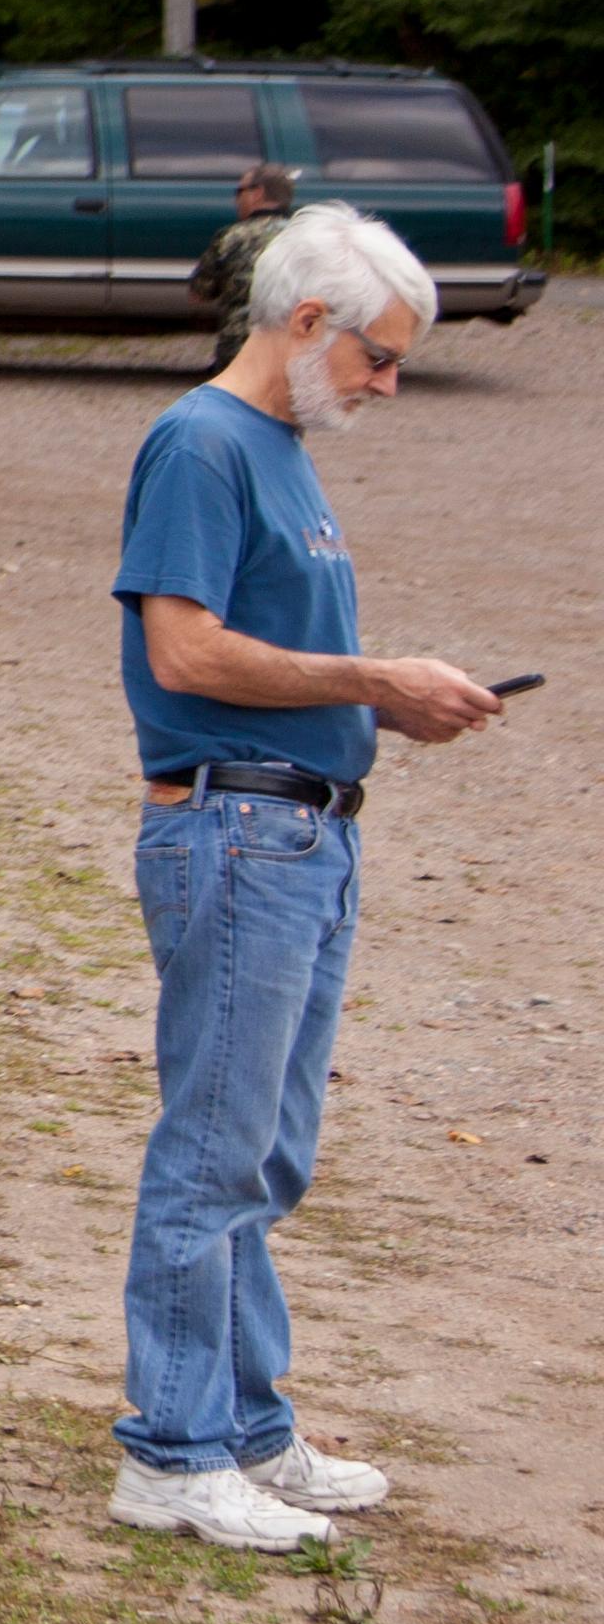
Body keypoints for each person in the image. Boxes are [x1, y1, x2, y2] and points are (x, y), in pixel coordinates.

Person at [103, 209, 496, 1546]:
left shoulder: (278, 449)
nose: (388, 386)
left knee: (265, 1148)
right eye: (382, 358)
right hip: (240, 833)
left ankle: (246, 1424)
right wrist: (374, 681)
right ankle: (171, 1447)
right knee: (216, 1144)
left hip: (303, 831)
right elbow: (188, 655)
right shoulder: (203, 444)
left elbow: (257, 655)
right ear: (308, 322)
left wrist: (379, 708)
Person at [189, 163, 302, 372]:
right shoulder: (310, 238)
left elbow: (199, 295)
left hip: (240, 350)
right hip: (295, 349)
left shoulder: (230, 238)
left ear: (257, 194)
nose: (236, 198)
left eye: (239, 191)